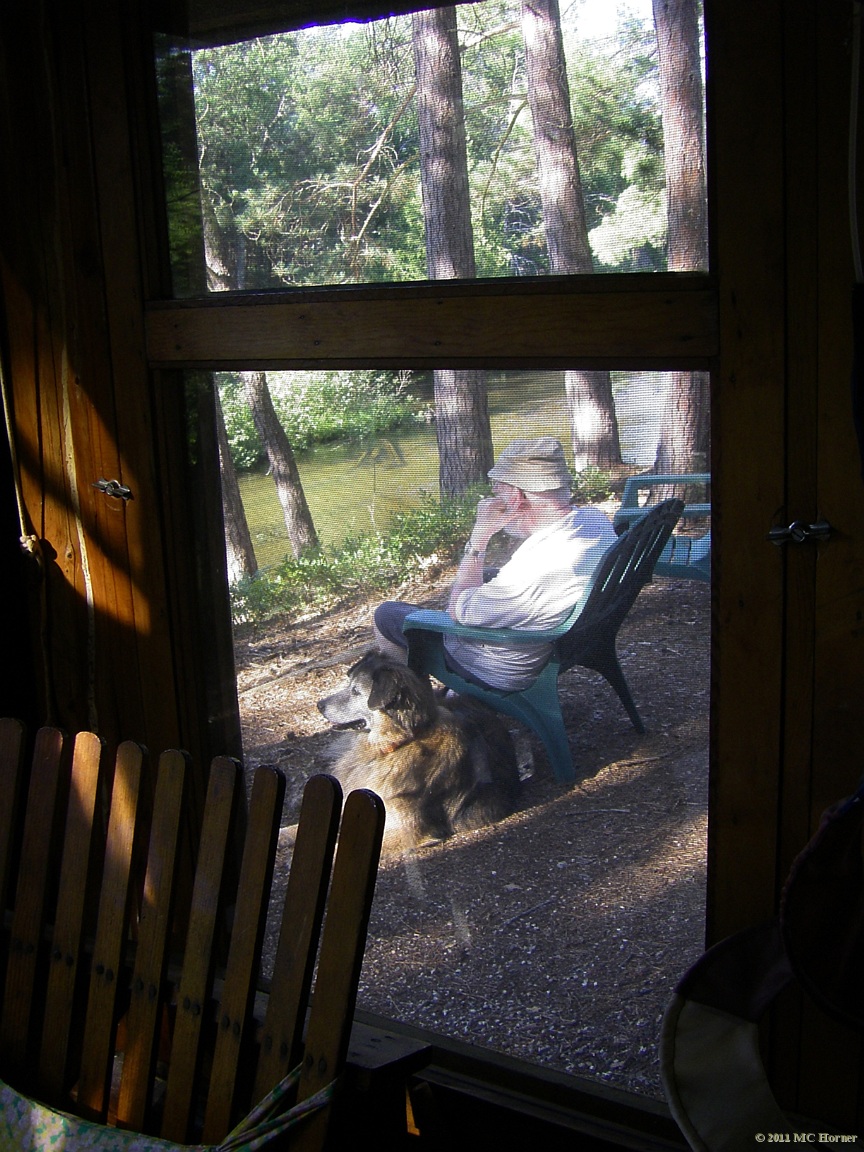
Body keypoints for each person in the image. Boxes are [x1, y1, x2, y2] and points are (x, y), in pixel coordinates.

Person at [374, 437, 618, 691]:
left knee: (386, 614)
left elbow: (457, 613)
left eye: (498, 489)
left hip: (501, 669)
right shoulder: (592, 519)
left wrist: (479, 537)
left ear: (517, 495)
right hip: (572, 641)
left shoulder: (536, 567)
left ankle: (412, 704)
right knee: (488, 574)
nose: (493, 496)